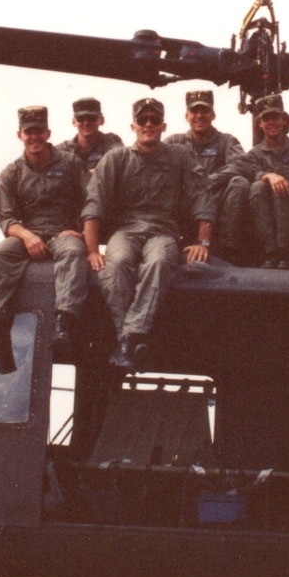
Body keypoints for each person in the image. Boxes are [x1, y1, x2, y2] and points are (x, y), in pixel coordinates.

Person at [82, 97, 216, 372]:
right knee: (116, 264)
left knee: (159, 262)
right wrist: (93, 250)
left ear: (163, 125)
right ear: (133, 125)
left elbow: (202, 196)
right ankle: (132, 337)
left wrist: (202, 241)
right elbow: (94, 204)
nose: (148, 125)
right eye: (142, 120)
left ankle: (126, 340)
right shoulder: (116, 158)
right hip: (126, 230)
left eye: (154, 120)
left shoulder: (180, 155)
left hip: (162, 230)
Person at [0, 105, 90, 365]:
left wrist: (79, 231)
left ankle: (64, 323)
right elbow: (7, 220)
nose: (33, 137)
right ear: (20, 134)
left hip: (63, 230)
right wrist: (28, 237)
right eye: (28, 132)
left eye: (38, 131)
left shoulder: (71, 164)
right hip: (28, 231)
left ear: (47, 133)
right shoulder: (11, 173)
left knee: (72, 253)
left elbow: (92, 203)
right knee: (0, 254)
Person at [226, 93, 289, 268]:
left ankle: (286, 250)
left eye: (275, 117)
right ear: (260, 123)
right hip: (264, 216)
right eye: (266, 119)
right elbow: (252, 173)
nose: (271, 122)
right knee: (258, 186)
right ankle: (270, 251)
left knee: (281, 187)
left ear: (284, 120)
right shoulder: (254, 155)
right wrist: (268, 176)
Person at [164, 89, 247, 257]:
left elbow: (241, 164)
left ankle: (226, 248)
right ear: (187, 116)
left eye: (205, 111)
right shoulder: (174, 142)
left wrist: (208, 181)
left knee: (240, 183)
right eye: (195, 111)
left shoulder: (226, 140)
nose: (199, 115)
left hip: (216, 201)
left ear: (213, 115)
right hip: (184, 202)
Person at [57, 96, 125, 172]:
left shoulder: (111, 143)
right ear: (74, 122)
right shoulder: (62, 150)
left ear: (101, 120)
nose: (86, 123)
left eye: (91, 118)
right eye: (81, 119)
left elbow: (120, 164)